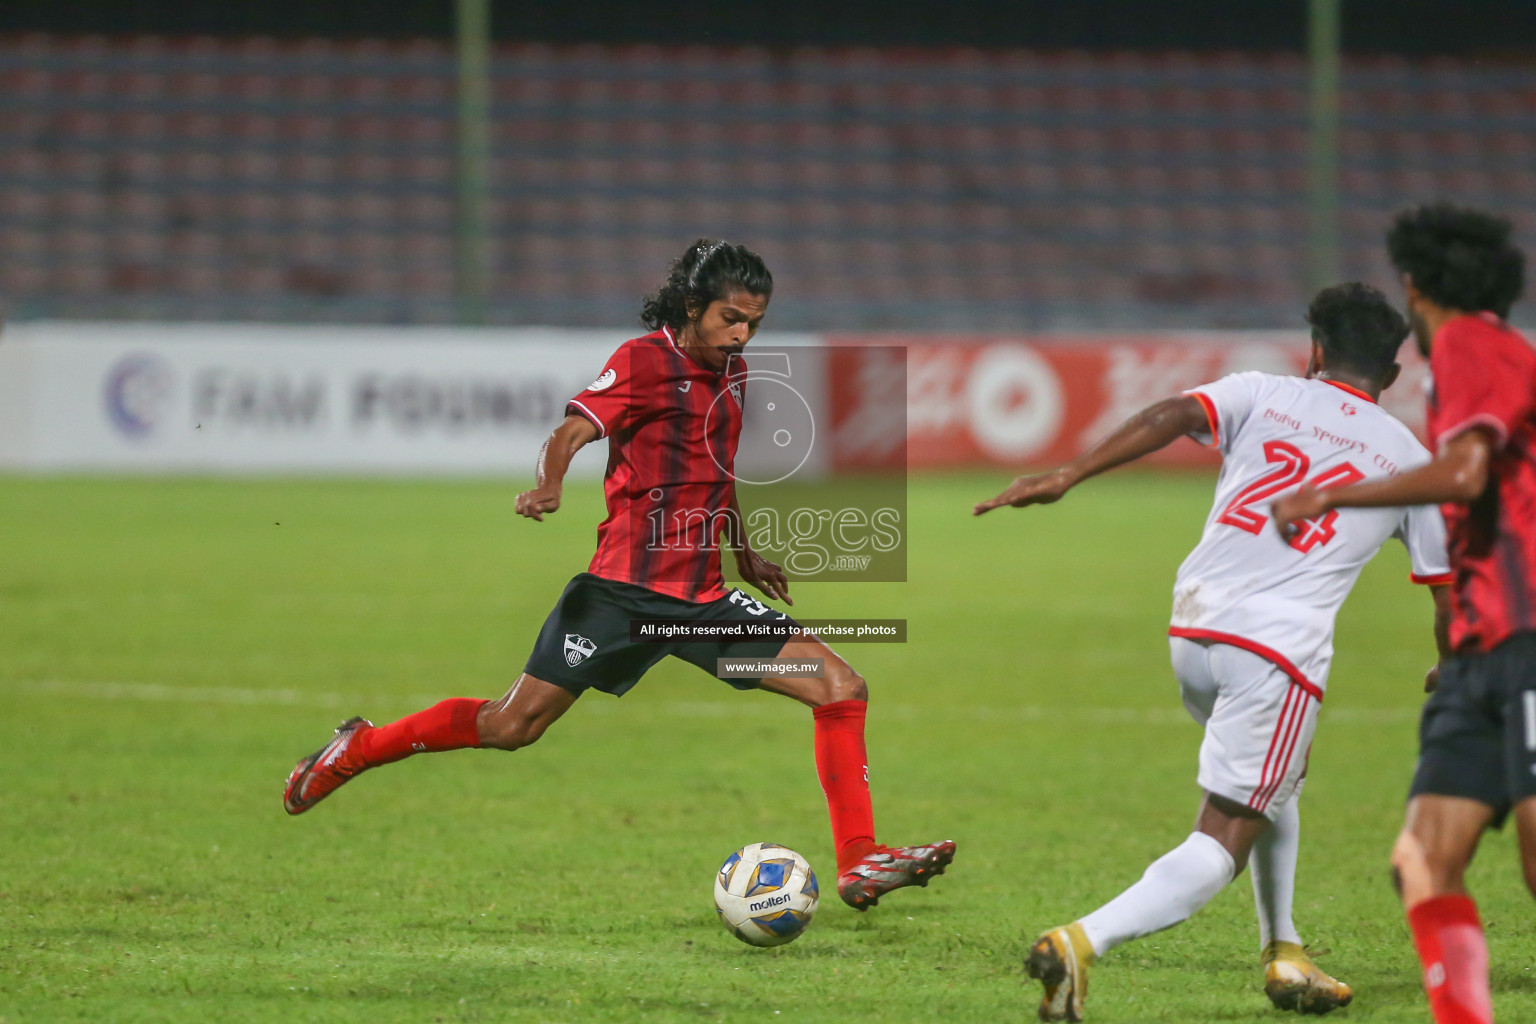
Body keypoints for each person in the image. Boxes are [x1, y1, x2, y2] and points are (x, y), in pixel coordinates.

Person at [282, 239, 954, 910]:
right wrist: (549, 485)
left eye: (754, 321)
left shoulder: (735, 375)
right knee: (511, 726)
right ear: (694, 306)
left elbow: (714, 472)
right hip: (621, 597)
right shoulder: (642, 362)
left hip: (703, 604)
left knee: (840, 686)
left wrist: (743, 549)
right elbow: (570, 431)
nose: (742, 334)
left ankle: (859, 860)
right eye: (730, 318)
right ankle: (359, 748)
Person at [975, 282, 1453, 1021]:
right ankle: (1080, 940)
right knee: (1225, 834)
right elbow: (1446, 585)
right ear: (1393, 375)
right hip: (1278, 650)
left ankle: (1284, 953)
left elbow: (1170, 414)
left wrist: (1068, 473)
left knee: (1272, 785)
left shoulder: (1264, 391)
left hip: (1195, 631)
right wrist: (1451, 660)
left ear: (1315, 352)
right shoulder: (1412, 459)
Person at [1274, 203, 1531, 1024]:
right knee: (1423, 858)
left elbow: (1461, 473)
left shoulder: (1472, 345)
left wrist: (1332, 490)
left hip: (1526, 641)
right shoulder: (1479, 351)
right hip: (1486, 648)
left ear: (1415, 282)